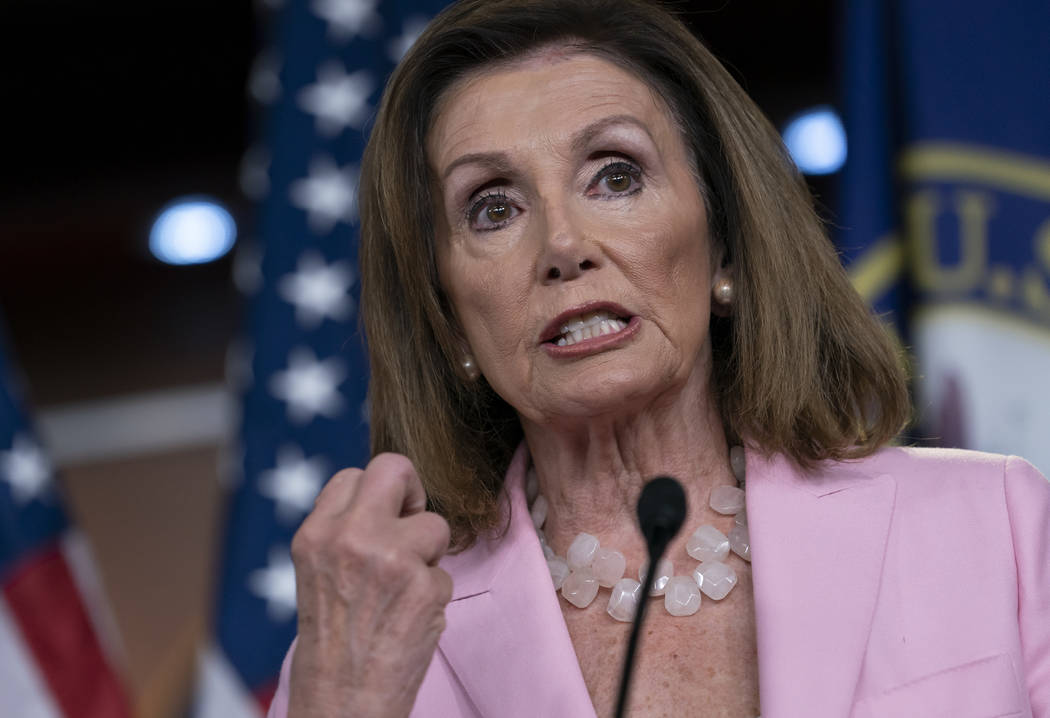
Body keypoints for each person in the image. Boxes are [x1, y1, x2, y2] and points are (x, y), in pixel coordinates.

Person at [268, 0, 1050, 715]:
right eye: (494, 207)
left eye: (615, 175)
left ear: (725, 244)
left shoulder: (993, 526)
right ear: (445, 315)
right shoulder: (376, 649)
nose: (564, 246)